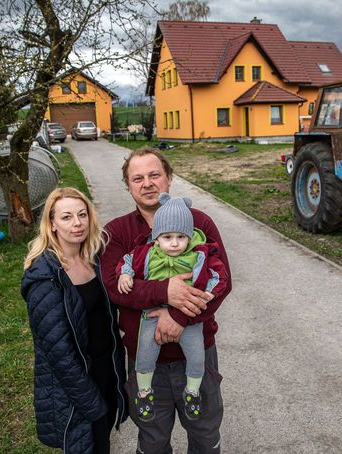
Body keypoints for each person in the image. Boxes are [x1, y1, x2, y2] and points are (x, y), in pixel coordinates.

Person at [100, 148, 232, 454]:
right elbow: (114, 287)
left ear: (169, 178)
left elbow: (221, 284)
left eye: (154, 174)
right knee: (153, 441)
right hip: (146, 360)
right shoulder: (117, 233)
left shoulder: (201, 224)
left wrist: (179, 317)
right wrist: (166, 291)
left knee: (205, 434)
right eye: (138, 178)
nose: (147, 183)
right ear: (129, 185)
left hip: (197, 355)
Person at [21, 187, 128, 454]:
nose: (77, 223)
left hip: (106, 370)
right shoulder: (45, 276)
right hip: (77, 384)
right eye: (66, 217)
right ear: (52, 224)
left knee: (103, 444)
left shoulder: (94, 258)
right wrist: (90, 402)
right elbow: (58, 354)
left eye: (82, 215)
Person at [116, 192, 229, 424]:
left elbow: (220, 274)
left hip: (189, 315)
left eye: (181, 237)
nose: (175, 243)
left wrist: (209, 292)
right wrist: (125, 275)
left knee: (197, 356)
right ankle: (144, 392)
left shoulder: (200, 254)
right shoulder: (146, 253)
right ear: (156, 238)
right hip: (153, 314)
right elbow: (127, 261)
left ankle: (193, 391)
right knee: (145, 352)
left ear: (190, 237)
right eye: (167, 237)